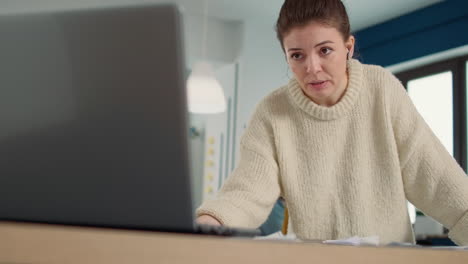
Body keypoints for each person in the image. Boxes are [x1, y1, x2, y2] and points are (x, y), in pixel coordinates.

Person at [196, 0, 468, 245]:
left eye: (324, 50)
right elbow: (247, 193)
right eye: (297, 55)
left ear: (348, 47)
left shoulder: (381, 90)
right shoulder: (271, 113)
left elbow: (435, 177)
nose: (312, 68)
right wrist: (209, 224)